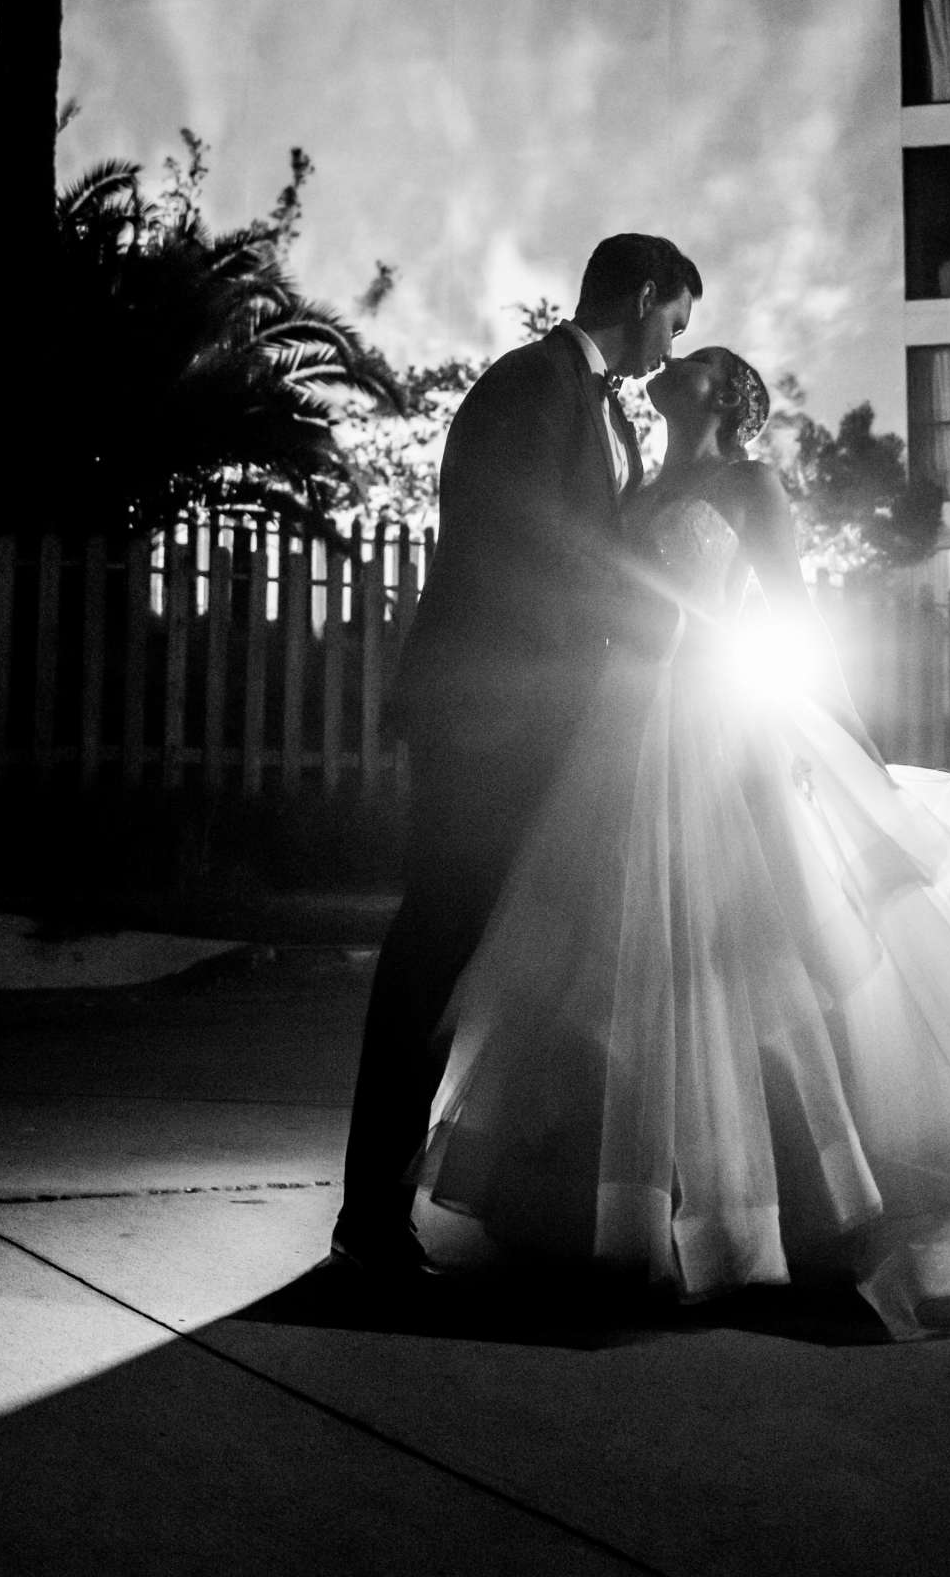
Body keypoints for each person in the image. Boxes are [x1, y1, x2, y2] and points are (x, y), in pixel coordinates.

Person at [412, 346, 950, 1336]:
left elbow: (791, 608)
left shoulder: (750, 483)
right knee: (632, 958)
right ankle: (650, 1204)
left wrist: (843, 737)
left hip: (726, 723)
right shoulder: (642, 481)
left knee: (764, 953)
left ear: (729, 398)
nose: (678, 361)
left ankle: (794, 1208)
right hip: (624, 734)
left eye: (701, 362)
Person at [331, 234, 703, 1277]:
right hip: (486, 717)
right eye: (675, 322)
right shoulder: (528, 386)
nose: (673, 351)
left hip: (541, 717)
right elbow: (518, 544)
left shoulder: (579, 398)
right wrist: (632, 622)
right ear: (640, 297)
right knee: (436, 947)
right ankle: (371, 1216)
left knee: (500, 952)